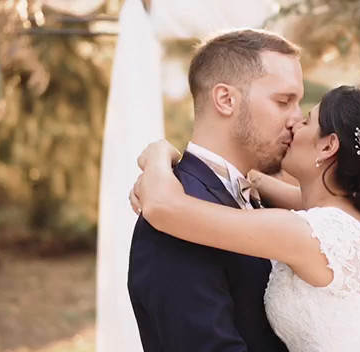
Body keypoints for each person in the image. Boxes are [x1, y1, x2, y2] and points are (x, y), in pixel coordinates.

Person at [132, 85, 360, 351]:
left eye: (307, 121)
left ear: (328, 146)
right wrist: (242, 172)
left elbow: (162, 207)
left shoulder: (305, 233)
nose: (294, 123)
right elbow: (258, 184)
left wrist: (157, 156)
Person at [126, 29, 301, 352]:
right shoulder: (173, 219)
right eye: (283, 101)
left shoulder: (256, 196)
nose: (297, 119)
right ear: (225, 99)